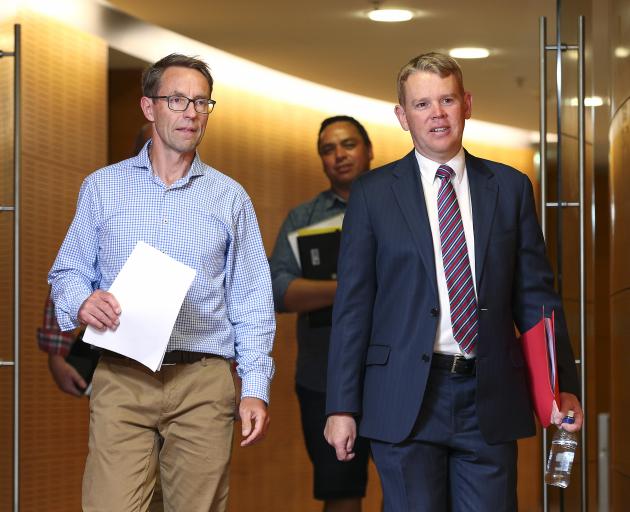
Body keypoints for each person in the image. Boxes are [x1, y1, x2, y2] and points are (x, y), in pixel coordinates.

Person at [324, 52, 583, 511]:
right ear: (402, 117)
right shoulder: (373, 194)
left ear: (467, 103)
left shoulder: (510, 187)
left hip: (489, 394)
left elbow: (537, 297)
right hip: (404, 397)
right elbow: (353, 308)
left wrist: (562, 386)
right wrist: (341, 406)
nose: (437, 114)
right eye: (422, 105)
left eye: (446, 100)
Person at [48, 53, 275, 512]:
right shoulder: (102, 188)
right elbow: (66, 272)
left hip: (203, 380)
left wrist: (255, 387)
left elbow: (251, 301)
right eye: (177, 100)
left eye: (201, 102)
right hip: (122, 376)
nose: (191, 112)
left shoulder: (230, 198)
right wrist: (81, 302)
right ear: (149, 107)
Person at [270, 116, 373, 512]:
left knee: (410, 488)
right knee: (340, 492)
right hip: (323, 377)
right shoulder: (304, 218)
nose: (339, 155)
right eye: (328, 150)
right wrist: (355, 289)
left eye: (348, 145)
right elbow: (279, 290)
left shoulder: (402, 204)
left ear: (368, 151)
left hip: (396, 373)